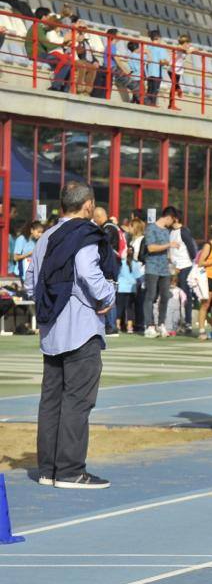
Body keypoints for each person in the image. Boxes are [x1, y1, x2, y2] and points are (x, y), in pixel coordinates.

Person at [25, 182, 114, 488]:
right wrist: (107, 295)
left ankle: (48, 469)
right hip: (81, 328)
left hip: (51, 331)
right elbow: (88, 272)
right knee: (78, 400)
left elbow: (30, 282)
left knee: (51, 401)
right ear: (88, 205)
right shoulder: (84, 234)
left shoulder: (45, 237)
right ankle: (71, 470)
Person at [143, 207, 179, 338]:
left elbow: (167, 250)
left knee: (165, 296)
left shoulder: (166, 231)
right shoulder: (151, 228)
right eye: (172, 220)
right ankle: (149, 325)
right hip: (152, 268)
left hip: (165, 269)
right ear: (168, 217)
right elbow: (151, 248)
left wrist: (172, 263)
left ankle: (161, 324)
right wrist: (169, 245)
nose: (172, 224)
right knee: (150, 296)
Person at [92, 206, 123, 336]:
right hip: (115, 263)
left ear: (99, 217)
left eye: (95, 218)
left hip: (110, 264)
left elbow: (104, 246)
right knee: (110, 294)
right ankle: (111, 325)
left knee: (108, 294)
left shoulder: (108, 228)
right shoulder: (114, 226)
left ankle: (110, 326)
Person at [168, 210, 197, 334]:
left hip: (185, 266)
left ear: (175, 218)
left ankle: (188, 322)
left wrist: (188, 263)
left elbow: (192, 249)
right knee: (175, 296)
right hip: (174, 268)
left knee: (186, 296)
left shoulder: (183, 231)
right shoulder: (170, 232)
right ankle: (177, 321)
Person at [115, 245, 143, 333]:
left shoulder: (121, 263)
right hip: (131, 288)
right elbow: (139, 277)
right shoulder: (136, 264)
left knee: (119, 307)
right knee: (130, 308)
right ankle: (129, 327)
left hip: (121, 288)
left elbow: (117, 274)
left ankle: (118, 326)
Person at [168, 34, 190, 109]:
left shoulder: (184, 49)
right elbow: (179, 47)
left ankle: (171, 104)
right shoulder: (179, 47)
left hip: (178, 71)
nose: (188, 45)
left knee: (174, 87)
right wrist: (188, 50)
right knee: (174, 87)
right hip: (172, 70)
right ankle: (171, 104)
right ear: (184, 43)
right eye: (187, 43)